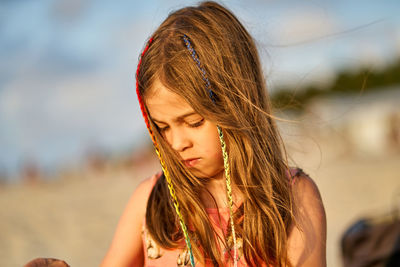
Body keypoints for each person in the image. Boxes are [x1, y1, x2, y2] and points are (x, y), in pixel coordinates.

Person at [101, 1, 326, 267]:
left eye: (194, 122)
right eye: (163, 127)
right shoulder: (150, 202)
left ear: (236, 104)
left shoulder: (290, 198)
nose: (177, 143)